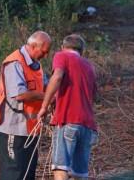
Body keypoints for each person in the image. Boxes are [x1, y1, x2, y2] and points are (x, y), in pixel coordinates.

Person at [37, 34, 99, 180]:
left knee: (61, 168)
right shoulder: (89, 66)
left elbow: (57, 76)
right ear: (82, 50)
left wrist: (44, 106)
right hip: (87, 125)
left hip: (67, 120)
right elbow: (93, 95)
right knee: (80, 173)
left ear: (63, 47)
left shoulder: (62, 56)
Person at [0, 31, 52, 180]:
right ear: (33, 46)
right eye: (44, 52)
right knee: (14, 173)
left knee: (28, 173)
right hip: (12, 128)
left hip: (30, 128)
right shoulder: (15, 63)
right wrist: (48, 97)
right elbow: (19, 94)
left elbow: (45, 86)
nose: (45, 56)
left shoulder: (36, 64)